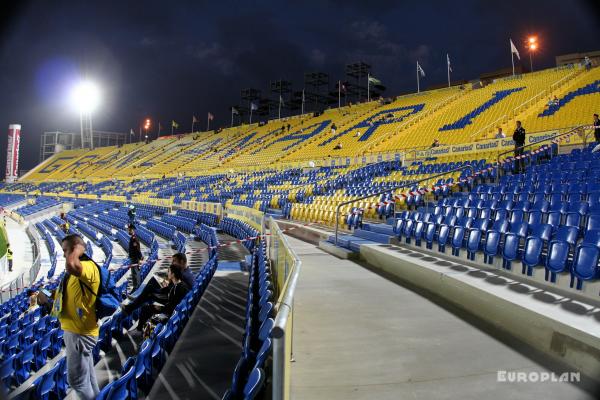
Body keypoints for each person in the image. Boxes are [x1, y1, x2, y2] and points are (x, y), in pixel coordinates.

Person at [55, 234, 100, 400]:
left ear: (75, 249)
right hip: (78, 332)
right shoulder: (82, 270)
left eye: (66, 250)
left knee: (77, 382)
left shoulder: (87, 266)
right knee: (88, 377)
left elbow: (72, 264)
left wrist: (77, 249)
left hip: (80, 334)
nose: (64, 255)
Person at [122, 253, 192, 315]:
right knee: (152, 285)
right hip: (171, 294)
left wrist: (167, 286)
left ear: (182, 261)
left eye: (174, 261)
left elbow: (177, 291)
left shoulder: (184, 276)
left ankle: (130, 307)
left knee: (149, 291)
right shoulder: (185, 271)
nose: (172, 263)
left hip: (171, 300)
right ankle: (133, 304)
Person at [137, 264, 189, 332]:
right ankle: (142, 329)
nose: (167, 273)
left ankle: (143, 331)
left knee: (145, 309)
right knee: (148, 306)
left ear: (173, 274)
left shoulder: (177, 288)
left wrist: (161, 307)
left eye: (169, 271)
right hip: (172, 310)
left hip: (170, 313)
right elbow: (172, 300)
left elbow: (172, 306)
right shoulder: (181, 284)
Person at [128, 225, 143, 290]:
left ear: (133, 230)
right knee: (134, 273)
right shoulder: (132, 238)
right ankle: (136, 287)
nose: (128, 231)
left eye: (129, 230)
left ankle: (136, 288)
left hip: (135, 258)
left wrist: (140, 258)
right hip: (133, 258)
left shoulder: (134, 238)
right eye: (128, 230)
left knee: (135, 273)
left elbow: (137, 249)